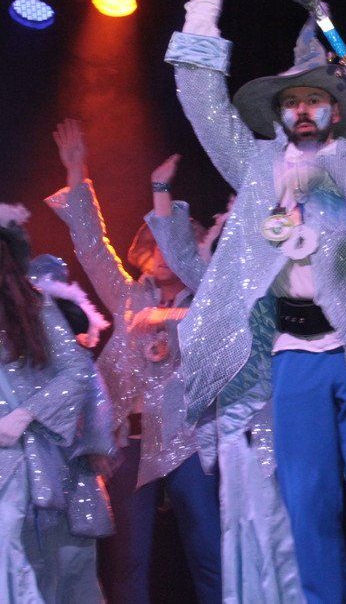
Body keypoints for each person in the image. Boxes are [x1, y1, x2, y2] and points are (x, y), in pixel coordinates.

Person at [164, 0, 346, 604]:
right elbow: (201, 101)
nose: (303, 110)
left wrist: (319, 178)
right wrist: (204, 7)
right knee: (306, 502)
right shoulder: (254, 165)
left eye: (316, 100)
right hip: (291, 353)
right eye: (293, 101)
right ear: (278, 112)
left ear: (336, 109)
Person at [45, 118, 222, 604]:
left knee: (209, 554)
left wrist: (169, 314)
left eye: (172, 243)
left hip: (189, 441)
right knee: (127, 562)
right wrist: (77, 172)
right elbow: (90, 246)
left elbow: (222, 328)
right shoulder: (126, 296)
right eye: (153, 244)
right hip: (130, 442)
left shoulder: (206, 302)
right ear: (142, 253)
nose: (162, 254)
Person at [145, 152, 304, 603]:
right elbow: (180, 255)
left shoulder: (280, 269)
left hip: (277, 409)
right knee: (241, 523)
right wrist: (161, 190)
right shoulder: (221, 283)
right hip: (231, 420)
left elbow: (292, 241)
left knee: (283, 525)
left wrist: (269, 208)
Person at [0, 202, 114, 603]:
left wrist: (24, 415)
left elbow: (82, 374)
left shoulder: (34, 307)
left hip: (31, 461)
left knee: (49, 570)